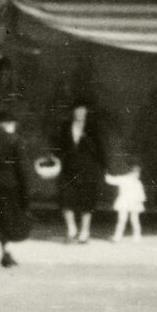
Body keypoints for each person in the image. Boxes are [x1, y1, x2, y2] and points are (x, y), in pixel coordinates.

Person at [0, 108, 34, 268]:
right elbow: (22, 168)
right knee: (10, 219)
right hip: (12, 186)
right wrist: (26, 191)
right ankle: (7, 253)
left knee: (0, 219)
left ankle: (5, 250)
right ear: (9, 124)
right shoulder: (16, 140)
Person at [55, 102, 105, 244]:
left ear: (86, 112)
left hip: (88, 170)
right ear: (73, 112)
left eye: (83, 111)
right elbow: (59, 146)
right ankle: (71, 229)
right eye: (77, 111)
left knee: (87, 200)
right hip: (68, 168)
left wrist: (102, 168)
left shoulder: (92, 128)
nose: (80, 113)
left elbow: (100, 148)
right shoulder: (65, 127)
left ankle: (84, 231)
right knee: (66, 198)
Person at [106, 165, 146, 240]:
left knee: (134, 219)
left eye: (138, 172)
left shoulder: (137, 183)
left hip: (134, 202)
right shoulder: (124, 179)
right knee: (122, 219)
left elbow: (141, 194)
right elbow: (111, 180)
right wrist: (105, 173)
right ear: (131, 172)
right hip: (124, 201)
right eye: (135, 172)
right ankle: (118, 236)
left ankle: (137, 235)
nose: (137, 174)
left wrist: (139, 201)